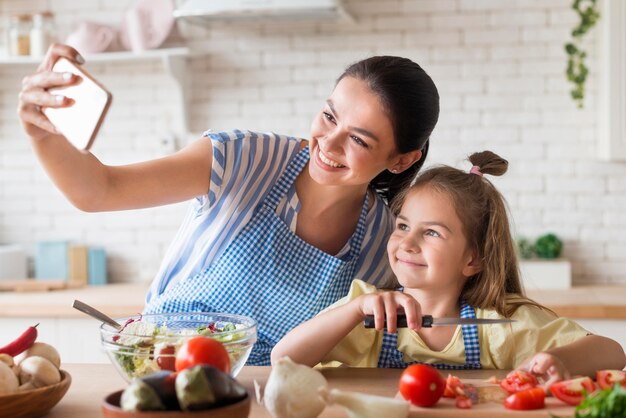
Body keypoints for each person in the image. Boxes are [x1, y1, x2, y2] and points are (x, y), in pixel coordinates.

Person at [17, 44, 440, 365]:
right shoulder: (244, 158)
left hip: (261, 396)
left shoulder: (383, 239)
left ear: (402, 159)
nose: (327, 144)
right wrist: (43, 134)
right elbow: (99, 190)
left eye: (359, 139)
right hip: (159, 369)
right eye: (329, 116)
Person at [272, 151, 626, 383]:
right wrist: (354, 310)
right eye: (403, 226)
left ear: (473, 259)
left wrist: (556, 360)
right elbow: (283, 359)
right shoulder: (369, 313)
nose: (407, 243)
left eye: (431, 233)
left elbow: (613, 352)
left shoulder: (497, 324)